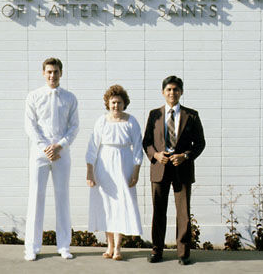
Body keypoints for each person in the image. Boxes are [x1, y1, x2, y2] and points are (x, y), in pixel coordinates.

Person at [142, 76, 205, 265]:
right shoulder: (155, 114)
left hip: (182, 168)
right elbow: (146, 142)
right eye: (168, 89)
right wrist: (155, 155)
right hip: (159, 168)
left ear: (181, 92)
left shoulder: (191, 115)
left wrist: (185, 156)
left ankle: (183, 253)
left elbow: (200, 143)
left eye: (176, 90)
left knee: (183, 213)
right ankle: (156, 251)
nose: (172, 93)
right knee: (158, 211)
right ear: (163, 92)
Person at [24, 57, 79, 261]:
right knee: (36, 197)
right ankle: (31, 246)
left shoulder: (70, 98)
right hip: (40, 153)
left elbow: (74, 126)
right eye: (48, 72)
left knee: (62, 197)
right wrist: (44, 147)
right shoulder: (34, 96)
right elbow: (30, 126)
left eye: (55, 72)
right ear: (43, 73)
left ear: (61, 73)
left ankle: (64, 245)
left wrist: (60, 145)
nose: (52, 75)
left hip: (61, 153)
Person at [86, 85, 143, 261]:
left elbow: (138, 148)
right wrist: (90, 172)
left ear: (124, 103)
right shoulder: (101, 121)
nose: (116, 106)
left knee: (121, 205)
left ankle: (118, 247)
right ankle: (109, 245)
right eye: (113, 102)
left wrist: (136, 172)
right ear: (108, 103)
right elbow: (92, 148)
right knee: (106, 205)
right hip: (103, 167)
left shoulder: (131, 121)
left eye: (119, 102)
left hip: (123, 165)